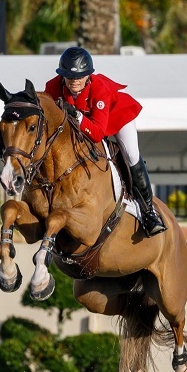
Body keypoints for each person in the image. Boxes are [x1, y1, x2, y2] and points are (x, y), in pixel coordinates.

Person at [44, 46, 166, 237]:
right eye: (69, 76)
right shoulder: (52, 88)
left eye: (80, 76)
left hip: (117, 117)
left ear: (88, 75)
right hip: (84, 124)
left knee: (131, 154)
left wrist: (78, 117)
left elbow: (98, 133)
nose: (74, 81)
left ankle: (149, 212)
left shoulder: (99, 88)